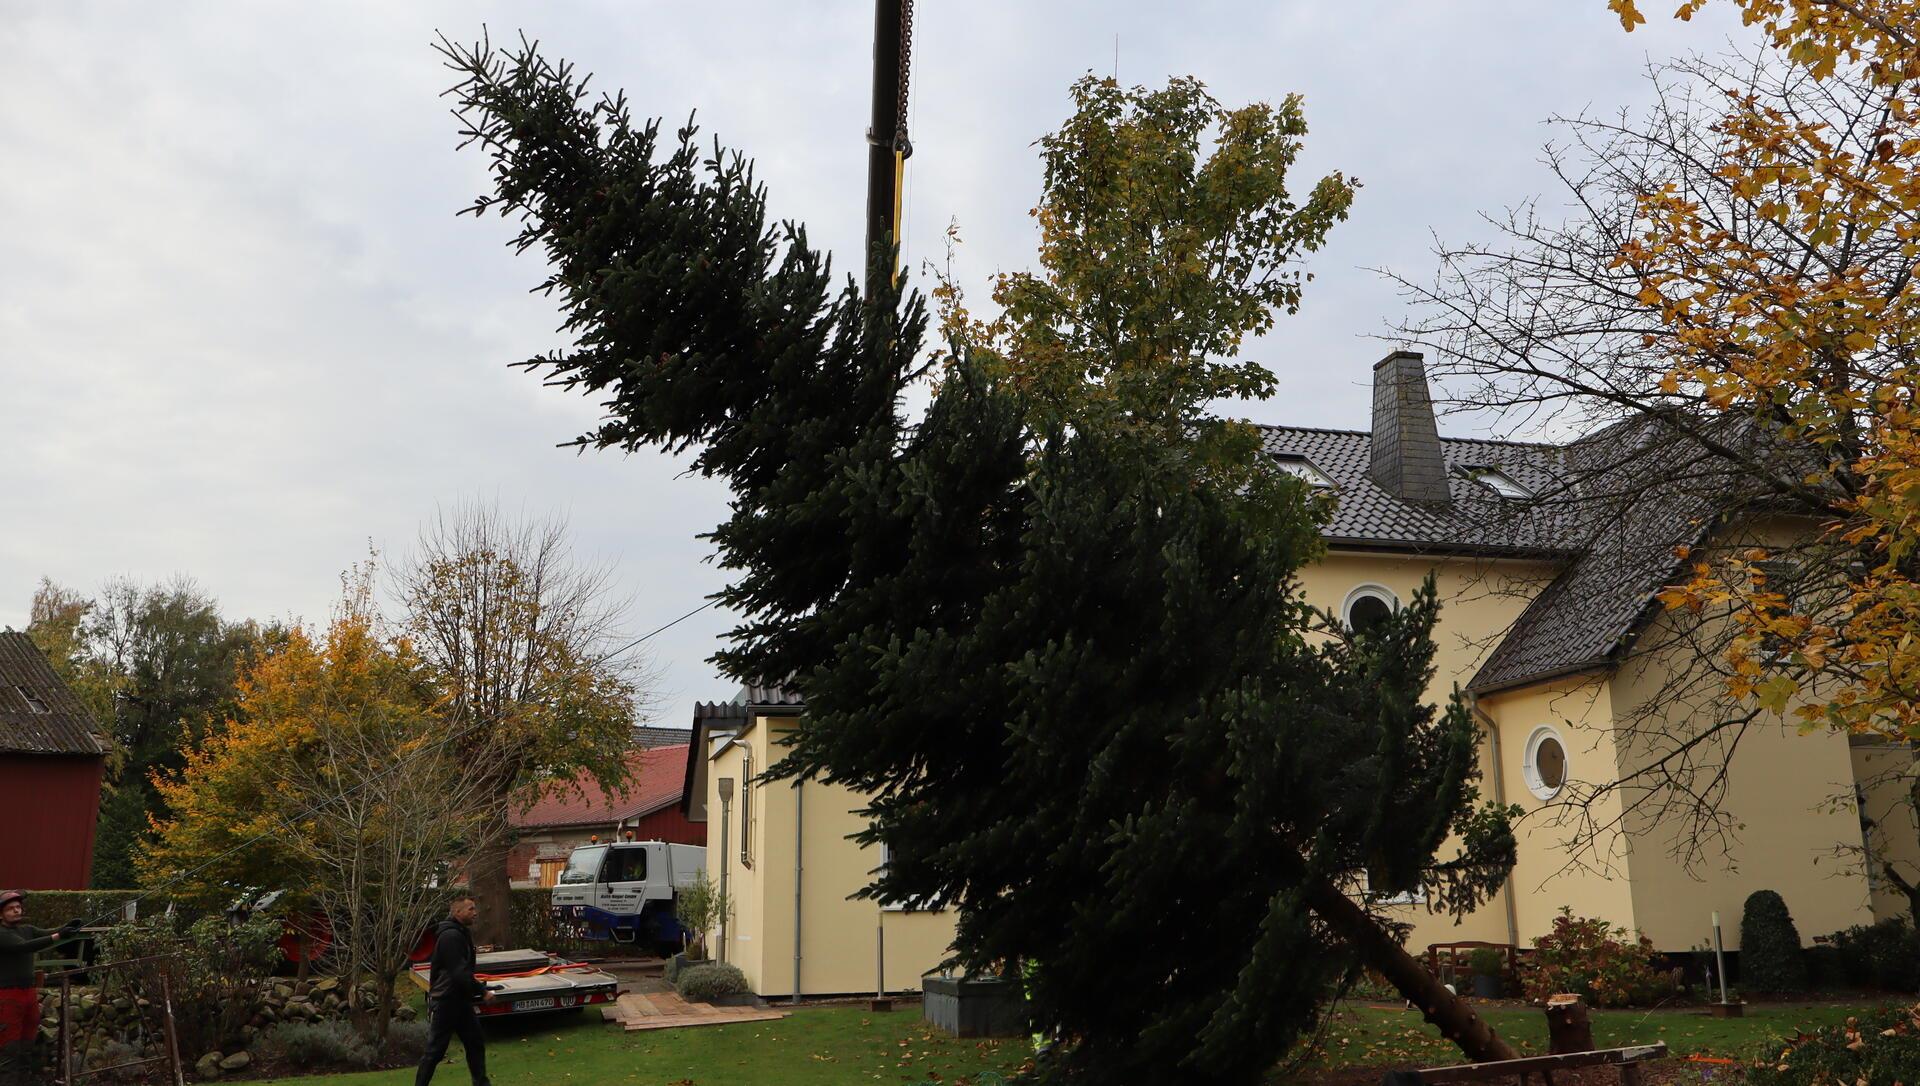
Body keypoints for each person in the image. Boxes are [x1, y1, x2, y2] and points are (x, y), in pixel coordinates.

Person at [0, 891, 81, 1086]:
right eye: (11, 908)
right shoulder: (2, 934)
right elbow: (26, 947)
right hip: (7, 995)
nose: (16, 910)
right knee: (9, 1050)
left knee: (27, 1046)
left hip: (29, 993)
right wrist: (58, 936)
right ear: (1, 913)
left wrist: (67, 927)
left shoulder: (27, 928)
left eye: (18, 907)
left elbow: (45, 933)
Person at [415, 894, 493, 1086]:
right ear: (457, 912)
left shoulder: (459, 932)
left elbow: (462, 971)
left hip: (460, 1001)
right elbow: (458, 972)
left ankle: (481, 1083)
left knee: (475, 1043)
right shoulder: (450, 936)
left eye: (475, 908)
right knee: (435, 1052)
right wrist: (482, 992)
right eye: (470, 909)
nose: (475, 913)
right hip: (446, 1002)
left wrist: (477, 988)